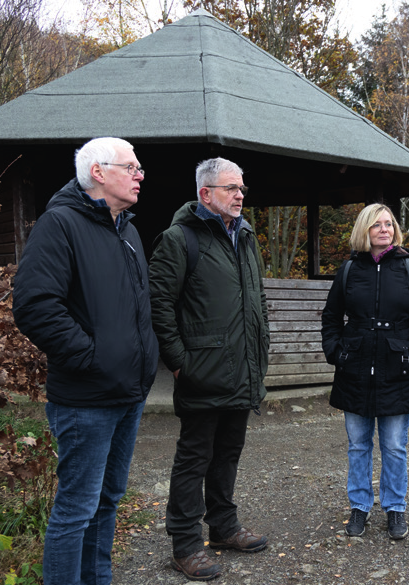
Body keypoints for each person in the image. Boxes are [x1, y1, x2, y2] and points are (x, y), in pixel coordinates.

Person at [12, 137, 158, 585]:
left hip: (128, 394)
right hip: (85, 400)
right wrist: (91, 359)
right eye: (131, 167)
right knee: (76, 510)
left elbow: (137, 309)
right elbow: (35, 305)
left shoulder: (128, 231)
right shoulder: (59, 224)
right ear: (99, 172)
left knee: (108, 502)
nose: (140, 175)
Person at [148, 157, 269, 582]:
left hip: (242, 370)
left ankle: (223, 527)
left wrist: (261, 349)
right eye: (231, 188)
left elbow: (256, 302)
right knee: (194, 456)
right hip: (202, 370)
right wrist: (180, 363)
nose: (240, 195)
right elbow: (158, 305)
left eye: (242, 189)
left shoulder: (246, 236)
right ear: (205, 194)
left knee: (228, 453)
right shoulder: (179, 239)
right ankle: (184, 544)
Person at [320, 203, 409, 540]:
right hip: (354, 370)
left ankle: (395, 509)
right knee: (358, 445)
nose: (384, 229)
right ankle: (359, 507)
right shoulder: (348, 270)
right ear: (365, 230)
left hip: (396, 371)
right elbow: (331, 318)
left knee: (394, 446)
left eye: (389, 224)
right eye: (377, 225)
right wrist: (336, 353)